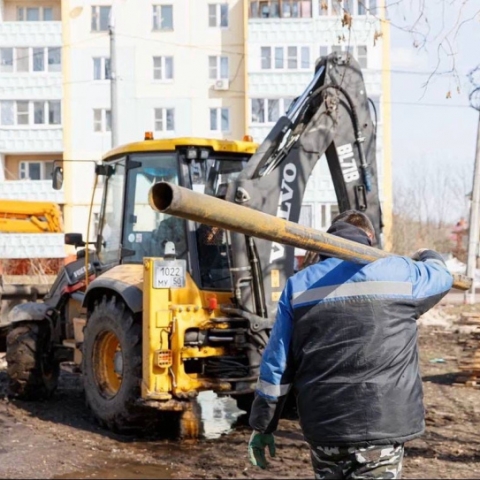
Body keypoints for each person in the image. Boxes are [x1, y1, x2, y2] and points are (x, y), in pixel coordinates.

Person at [247, 209, 453, 479]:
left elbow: (277, 364)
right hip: (383, 426)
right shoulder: (402, 272)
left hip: (324, 427)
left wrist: (263, 425)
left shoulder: (298, 286)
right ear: (369, 237)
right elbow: (442, 276)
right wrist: (427, 254)